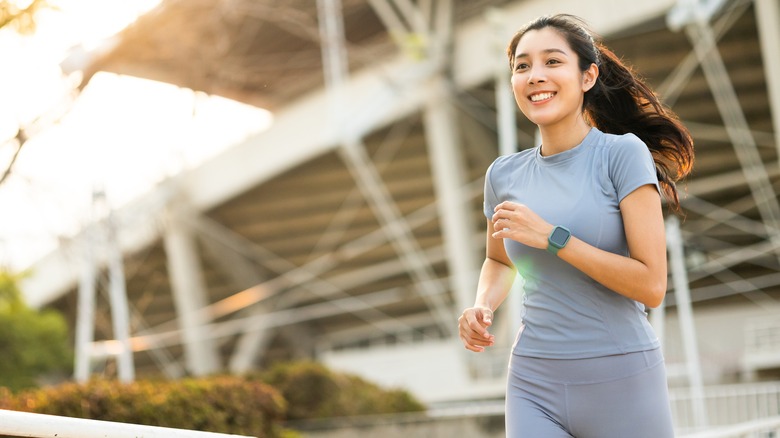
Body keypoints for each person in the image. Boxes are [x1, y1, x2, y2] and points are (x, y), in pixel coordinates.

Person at [457, 14, 694, 438]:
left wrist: (553, 238)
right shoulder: (503, 175)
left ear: (587, 77)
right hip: (533, 381)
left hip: (621, 380)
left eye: (552, 62)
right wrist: (483, 306)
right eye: (522, 66)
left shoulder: (622, 155)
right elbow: (500, 262)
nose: (535, 76)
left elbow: (652, 285)